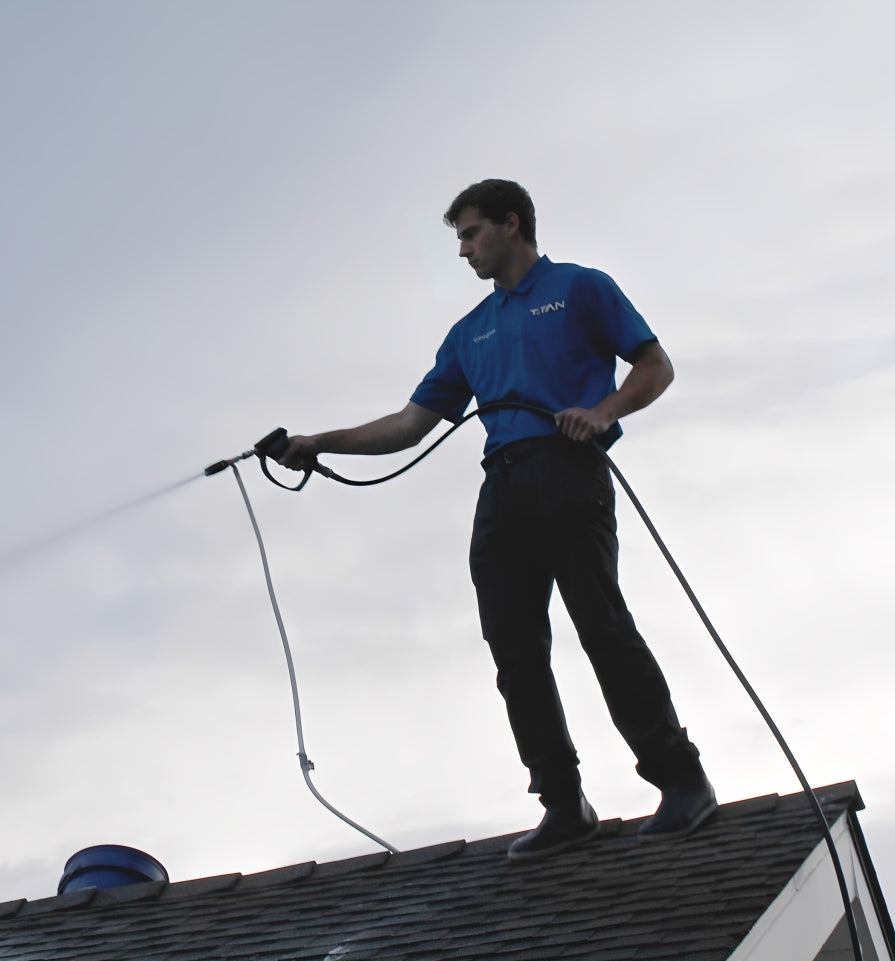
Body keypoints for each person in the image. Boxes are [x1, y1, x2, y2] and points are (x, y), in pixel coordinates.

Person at [280, 179, 716, 859]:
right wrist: (318, 442)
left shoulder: (579, 288)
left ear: (511, 224)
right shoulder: (468, 333)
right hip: (503, 485)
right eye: (458, 237)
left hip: (569, 467)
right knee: (512, 647)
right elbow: (408, 424)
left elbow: (654, 366)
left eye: (470, 233)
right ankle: (563, 803)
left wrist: (603, 412)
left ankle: (681, 780)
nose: (463, 250)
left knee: (600, 624)